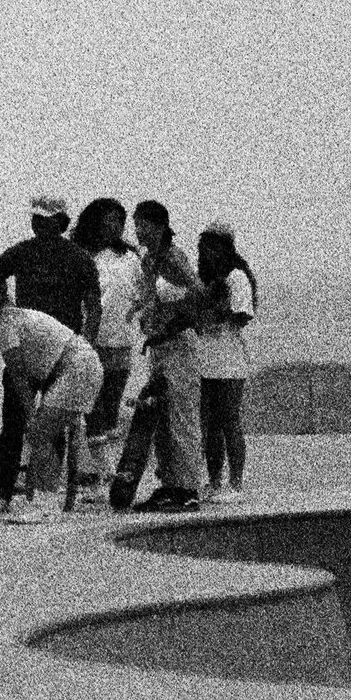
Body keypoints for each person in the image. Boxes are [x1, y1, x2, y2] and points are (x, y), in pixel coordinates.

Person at [0, 200, 103, 508]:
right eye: (36, 218)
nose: (39, 224)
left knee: (52, 428)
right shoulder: (19, 252)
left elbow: (94, 307)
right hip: (23, 348)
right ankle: (3, 492)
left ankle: (44, 493)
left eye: (46, 219)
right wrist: (3, 304)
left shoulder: (79, 258)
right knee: (12, 423)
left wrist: (87, 344)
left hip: (61, 353)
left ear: (61, 221)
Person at [0, 277, 102, 522]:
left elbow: (18, 374)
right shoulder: (11, 316)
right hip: (78, 365)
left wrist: (31, 414)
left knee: (39, 432)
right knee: (42, 433)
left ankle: (43, 506)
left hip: (76, 368)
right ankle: (44, 501)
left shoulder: (4, 325)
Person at [106, 201, 205, 511]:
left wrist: (174, 320)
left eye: (144, 224)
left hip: (178, 344)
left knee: (181, 415)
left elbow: (199, 297)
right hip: (159, 347)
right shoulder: (149, 261)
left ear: (161, 226)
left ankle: (187, 487)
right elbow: (151, 300)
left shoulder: (174, 258)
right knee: (160, 418)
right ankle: (169, 483)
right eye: (136, 224)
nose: (138, 231)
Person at [71, 197, 141, 491]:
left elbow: (143, 291)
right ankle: (104, 472)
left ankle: (106, 473)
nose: (116, 226)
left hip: (122, 339)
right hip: (91, 340)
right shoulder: (82, 254)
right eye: (110, 219)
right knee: (92, 406)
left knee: (111, 406)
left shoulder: (130, 257)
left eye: (120, 221)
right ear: (96, 221)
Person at [193, 224, 258, 497]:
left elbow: (242, 315)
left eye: (214, 246)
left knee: (229, 419)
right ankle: (215, 480)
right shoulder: (203, 279)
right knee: (209, 424)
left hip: (229, 359)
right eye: (205, 248)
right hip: (203, 358)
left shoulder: (236, 276)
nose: (209, 253)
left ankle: (236, 481)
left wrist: (217, 315)